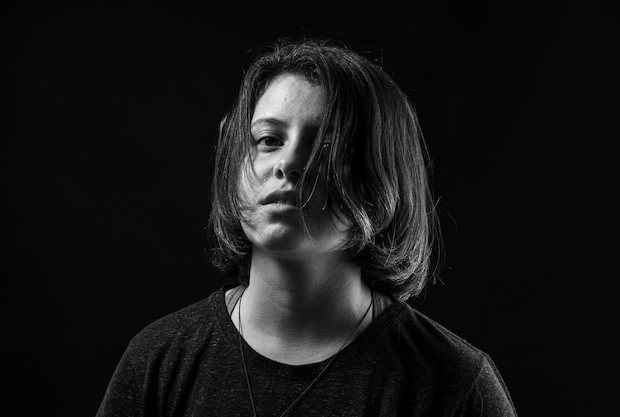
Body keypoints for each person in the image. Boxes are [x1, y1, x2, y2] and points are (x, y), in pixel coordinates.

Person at [97, 38, 517, 416]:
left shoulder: (455, 386)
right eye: (269, 140)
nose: (288, 164)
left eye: (327, 145)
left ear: (381, 179)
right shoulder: (159, 361)